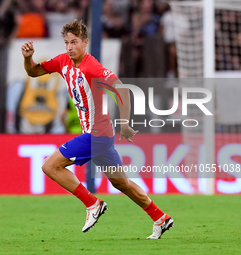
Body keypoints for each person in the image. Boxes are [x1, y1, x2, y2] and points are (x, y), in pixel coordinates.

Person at [21, 19, 173, 239]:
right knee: (122, 183)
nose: (70, 47)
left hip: (97, 134)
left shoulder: (91, 66)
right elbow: (33, 72)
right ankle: (160, 217)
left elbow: (120, 88)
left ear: (85, 43)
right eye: (66, 42)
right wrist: (28, 58)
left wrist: (124, 123)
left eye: (74, 42)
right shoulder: (63, 61)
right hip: (98, 136)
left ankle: (92, 203)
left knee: (50, 166)